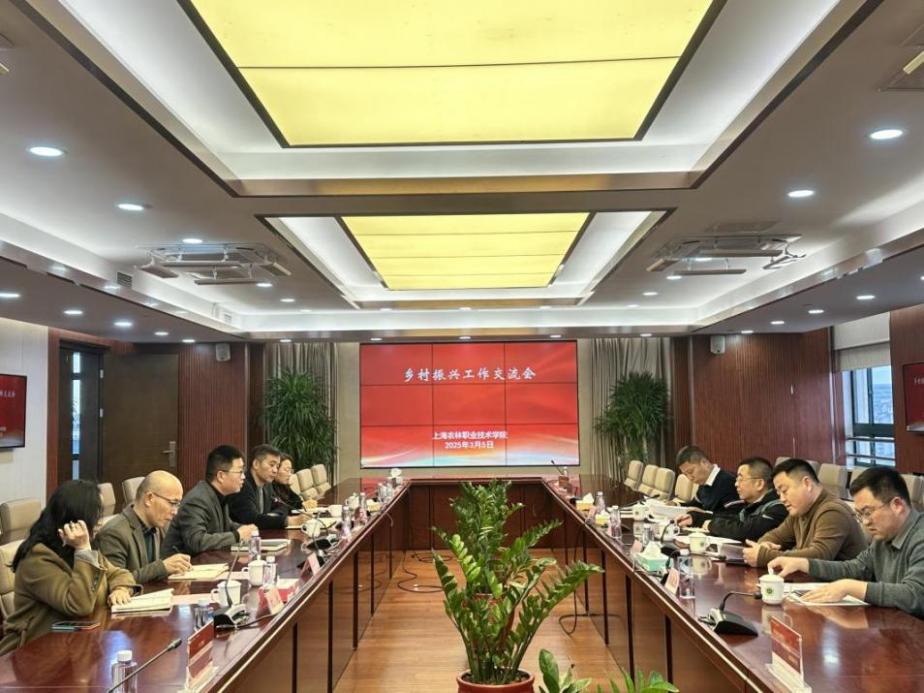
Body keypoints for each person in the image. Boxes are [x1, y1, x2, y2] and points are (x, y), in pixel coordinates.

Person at [0, 480, 137, 655]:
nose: (99, 523)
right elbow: (79, 606)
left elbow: (120, 574)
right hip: (36, 654)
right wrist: (83, 550)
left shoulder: (75, 547)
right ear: (75, 520)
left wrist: (121, 589)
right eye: (94, 516)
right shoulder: (37, 558)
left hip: (76, 644)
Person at [768, 467, 924, 616]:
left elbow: (915, 595)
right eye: (860, 515)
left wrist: (850, 587)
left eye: (868, 512)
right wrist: (804, 564)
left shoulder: (919, 537)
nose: (865, 522)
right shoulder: (884, 536)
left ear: (897, 505)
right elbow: (855, 568)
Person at [743, 458, 867, 568]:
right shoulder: (800, 510)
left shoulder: (833, 512)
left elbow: (819, 555)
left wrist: (766, 556)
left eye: (784, 491)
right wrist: (764, 544)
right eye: (779, 493)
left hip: (845, 585)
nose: (782, 499)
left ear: (807, 484)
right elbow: (775, 536)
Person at [96, 471, 192, 583]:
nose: (175, 512)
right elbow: (115, 582)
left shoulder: (156, 525)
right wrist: (161, 568)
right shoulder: (113, 533)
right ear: (149, 498)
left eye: (177, 505)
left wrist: (175, 565)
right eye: (172, 503)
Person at [162, 445, 257, 557]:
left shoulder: (219, 495)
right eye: (240, 472)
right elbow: (196, 542)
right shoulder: (197, 500)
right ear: (221, 476)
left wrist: (246, 529)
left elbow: (227, 526)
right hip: (181, 565)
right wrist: (237, 535)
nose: (243, 477)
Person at [678, 456, 787, 542]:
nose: (736, 484)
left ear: (759, 484)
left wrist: (710, 524)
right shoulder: (753, 505)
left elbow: (746, 531)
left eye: (740, 479)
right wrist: (697, 518)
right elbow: (734, 519)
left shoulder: (778, 507)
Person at [228, 445, 303, 529]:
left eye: (277, 466)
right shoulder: (242, 485)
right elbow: (251, 520)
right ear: (256, 464)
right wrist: (288, 521)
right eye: (271, 465)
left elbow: (282, 506)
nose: (275, 470)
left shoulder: (267, 485)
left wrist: (270, 516)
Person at [675, 446, 743, 522]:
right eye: (685, 474)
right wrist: (676, 505)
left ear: (704, 463)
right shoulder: (704, 482)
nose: (690, 478)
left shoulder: (728, 481)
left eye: (691, 472)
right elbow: (695, 505)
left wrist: (704, 515)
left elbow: (735, 516)